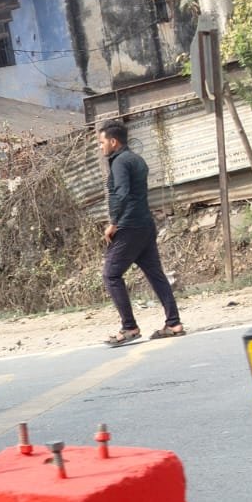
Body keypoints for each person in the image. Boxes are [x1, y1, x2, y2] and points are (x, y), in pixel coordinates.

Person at [98, 120, 184, 347]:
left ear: (113, 142)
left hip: (129, 227)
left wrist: (113, 223)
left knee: (111, 275)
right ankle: (174, 323)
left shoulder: (119, 162)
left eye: (102, 142)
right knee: (156, 275)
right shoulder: (137, 159)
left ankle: (129, 327)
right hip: (145, 225)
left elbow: (122, 193)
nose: (101, 146)